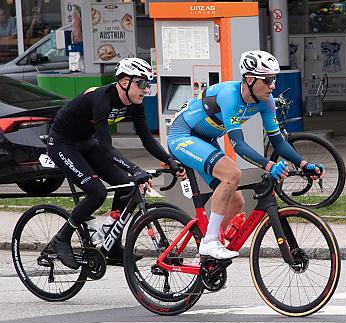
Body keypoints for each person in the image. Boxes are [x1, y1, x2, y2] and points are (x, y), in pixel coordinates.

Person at [167, 50, 325, 260]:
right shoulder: (229, 96)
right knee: (232, 174)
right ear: (249, 79)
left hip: (206, 140)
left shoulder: (266, 102)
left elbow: (278, 142)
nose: (273, 86)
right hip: (183, 136)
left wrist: (304, 164)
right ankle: (210, 242)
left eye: (274, 79)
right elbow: (239, 145)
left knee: (236, 202)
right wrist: (268, 166)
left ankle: (206, 258)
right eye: (267, 80)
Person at [47, 57, 185, 269]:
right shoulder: (102, 99)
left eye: (148, 84)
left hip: (85, 141)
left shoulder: (134, 102)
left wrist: (170, 160)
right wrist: (134, 168)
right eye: (141, 84)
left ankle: (111, 245)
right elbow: (106, 147)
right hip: (63, 143)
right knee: (97, 192)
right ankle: (62, 238)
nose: (145, 89)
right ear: (124, 82)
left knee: (128, 186)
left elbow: (147, 139)